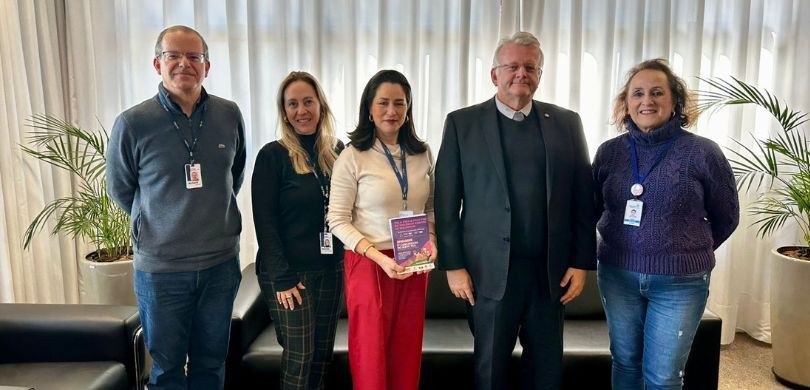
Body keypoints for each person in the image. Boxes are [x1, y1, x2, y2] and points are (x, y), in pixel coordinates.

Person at [434, 31, 596, 389]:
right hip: (487, 275)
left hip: (550, 276)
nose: (521, 73)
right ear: (495, 75)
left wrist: (583, 262)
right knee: (491, 370)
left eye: (530, 67)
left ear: (539, 74)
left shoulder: (568, 124)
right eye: (512, 66)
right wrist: (454, 265)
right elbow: (446, 203)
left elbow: (584, 200)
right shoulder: (462, 124)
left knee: (547, 371)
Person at [106, 25, 246, 389]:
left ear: (207, 66)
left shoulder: (228, 115)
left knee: (212, 363)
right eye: (174, 55)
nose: (185, 63)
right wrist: (159, 221)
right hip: (161, 271)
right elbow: (122, 189)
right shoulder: (133, 123)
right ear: (157, 63)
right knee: (166, 369)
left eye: (194, 56)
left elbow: (234, 175)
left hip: (220, 266)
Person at [592, 58, 739, 389]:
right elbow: (590, 207)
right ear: (625, 104)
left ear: (675, 101)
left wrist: (685, 248)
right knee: (625, 363)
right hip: (618, 276)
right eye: (638, 93)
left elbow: (727, 215)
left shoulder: (703, 152)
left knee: (663, 376)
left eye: (657, 92)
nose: (647, 101)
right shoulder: (609, 153)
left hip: (680, 283)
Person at [327, 69, 436, 390]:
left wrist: (433, 241)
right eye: (383, 103)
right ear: (369, 109)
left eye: (400, 103)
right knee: (371, 353)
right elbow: (337, 220)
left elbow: (430, 208)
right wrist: (380, 258)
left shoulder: (423, 153)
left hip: (414, 257)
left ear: (409, 108)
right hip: (369, 263)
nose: (392, 111)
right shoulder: (351, 156)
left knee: (407, 348)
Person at [252, 71, 345, 389]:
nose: (301, 110)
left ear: (321, 105)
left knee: (322, 355)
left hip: (331, 268)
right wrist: (282, 277)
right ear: (284, 111)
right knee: (299, 355)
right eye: (293, 104)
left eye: (308, 102)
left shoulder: (338, 152)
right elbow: (264, 223)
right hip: (289, 274)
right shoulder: (272, 156)